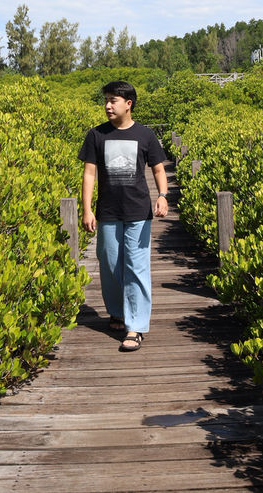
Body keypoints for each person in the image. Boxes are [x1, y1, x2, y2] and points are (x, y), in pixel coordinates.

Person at [79, 80, 168, 351]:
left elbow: (158, 169)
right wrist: (86, 209)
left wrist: (163, 196)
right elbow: (89, 173)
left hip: (139, 212)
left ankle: (135, 326)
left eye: (113, 100)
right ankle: (118, 311)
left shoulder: (145, 135)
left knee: (137, 268)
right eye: (106, 100)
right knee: (110, 263)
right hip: (108, 211)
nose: (107, 105)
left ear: (128, 104)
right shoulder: (96, 135)